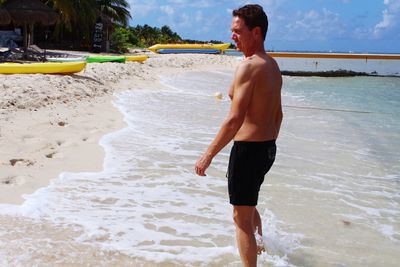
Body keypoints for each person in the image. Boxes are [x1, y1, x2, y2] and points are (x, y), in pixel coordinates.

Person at [195, 4, 282, 267]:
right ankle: (262, 249)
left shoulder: (250, 67)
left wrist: (207, 156)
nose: (232, 36)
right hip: (267, 150)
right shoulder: (271, 65)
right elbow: (279, 116)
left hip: (248, 151)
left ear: (256, 32)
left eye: (237, 31)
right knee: (249, 204)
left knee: (240, 218)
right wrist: (267, 144)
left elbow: (234, 120)